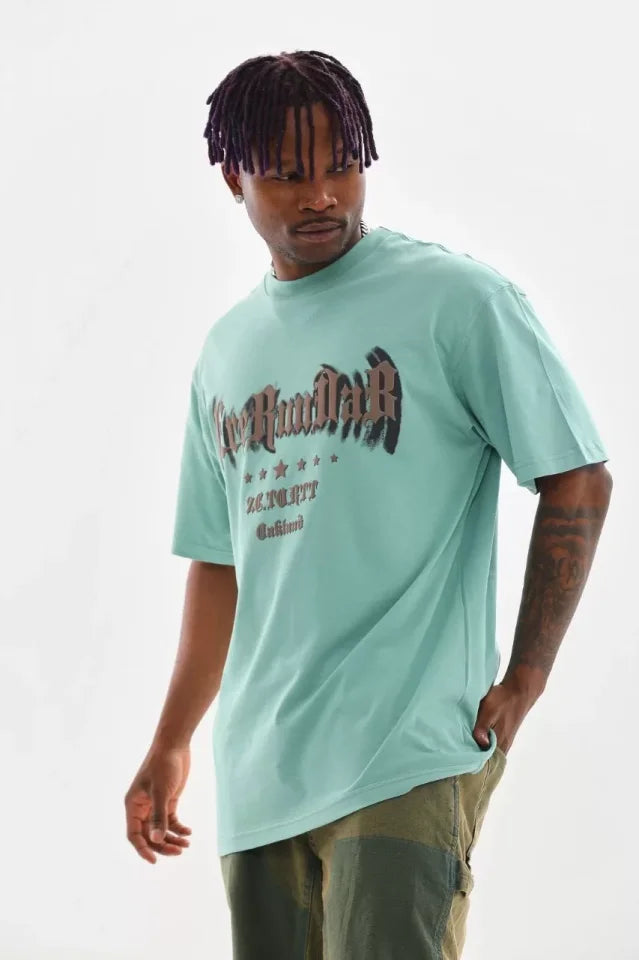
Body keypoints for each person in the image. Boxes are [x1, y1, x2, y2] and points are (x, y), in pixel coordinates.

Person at [124, 49, 613, 959]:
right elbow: (219, 563)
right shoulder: (227, 351)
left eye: (343, 166)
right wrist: (172, 740)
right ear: (234, 178)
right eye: (287, 174)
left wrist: (527, 676)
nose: (321, 196)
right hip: (261, 774)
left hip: (404, 751)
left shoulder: (455, 301)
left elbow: (576, 475)